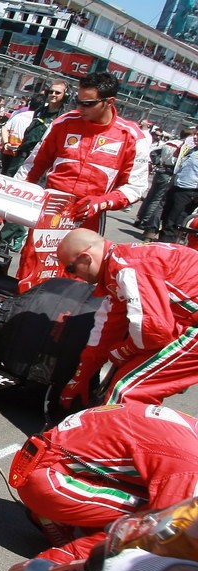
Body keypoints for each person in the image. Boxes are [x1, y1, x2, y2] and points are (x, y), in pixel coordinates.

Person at [10, 402, 198, 568]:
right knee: (150, 524)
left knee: (153, 493)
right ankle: (66, 567)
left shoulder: (189, 429)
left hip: (43, 464)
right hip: (51, 479)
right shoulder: (190, 463)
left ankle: (54, 518)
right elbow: (163, 532)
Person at [18, 73, 148, 287]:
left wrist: (101, 202)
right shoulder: (63, 122)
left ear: (110, 102)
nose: (80, 108)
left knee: (74, 279)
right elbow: (34, 164)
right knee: (32, 271)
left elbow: (136, 187)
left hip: (89, 217)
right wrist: (13, 197)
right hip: (51, 212)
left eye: (87, 104)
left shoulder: (131, 136)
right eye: (77, 101)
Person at [54, 229, 198, 410]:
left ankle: (105, 437)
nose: (74, 276)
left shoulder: (128, 267)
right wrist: (81, 377)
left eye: (70, 268)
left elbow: (153, 332)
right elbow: (108, 328)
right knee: (129, 380)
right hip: (187, 321)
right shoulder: (119, 265)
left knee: (127, 393)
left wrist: (123, 351)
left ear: (86, 257)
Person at [136, 129, 183, 240]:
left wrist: (158, 162)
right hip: (170, 173)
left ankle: (140, 218)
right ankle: (147, 223)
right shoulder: (182, 146)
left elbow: (154, 152)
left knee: (150, 197)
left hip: (161, 170)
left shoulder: (170, 143)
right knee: (157, 200)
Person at [160, 132, 198, 244]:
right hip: (177, 187)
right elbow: (180, 168)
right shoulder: (192, 150)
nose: (194, 137)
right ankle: (161, 243)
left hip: (189, 191)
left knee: (174, 222)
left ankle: (166, 248)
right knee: (166, 218)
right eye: (195, 134)